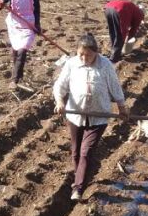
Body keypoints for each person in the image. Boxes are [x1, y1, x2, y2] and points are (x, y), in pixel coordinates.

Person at [53, 34, 129, 201]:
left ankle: (78, 188)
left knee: (85, 152)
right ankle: (81, 175)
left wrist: (122, 107)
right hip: (75, 114)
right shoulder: (72, 64)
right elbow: (60, 86)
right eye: (81, 54)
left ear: (96, 52)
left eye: (87, 54)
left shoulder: (105, 65)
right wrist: (60, 102)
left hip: (99, 116)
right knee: (75, 152)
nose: (84, 58)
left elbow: (115, 87)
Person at [0, 0, 42, 89]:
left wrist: (37, 25)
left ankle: (14, 80)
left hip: (28, 24)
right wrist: (0, 4)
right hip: (14, 23)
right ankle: (18, 74)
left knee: (22, 50)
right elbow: (2, 1)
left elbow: (37, 9)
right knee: (15, 51)